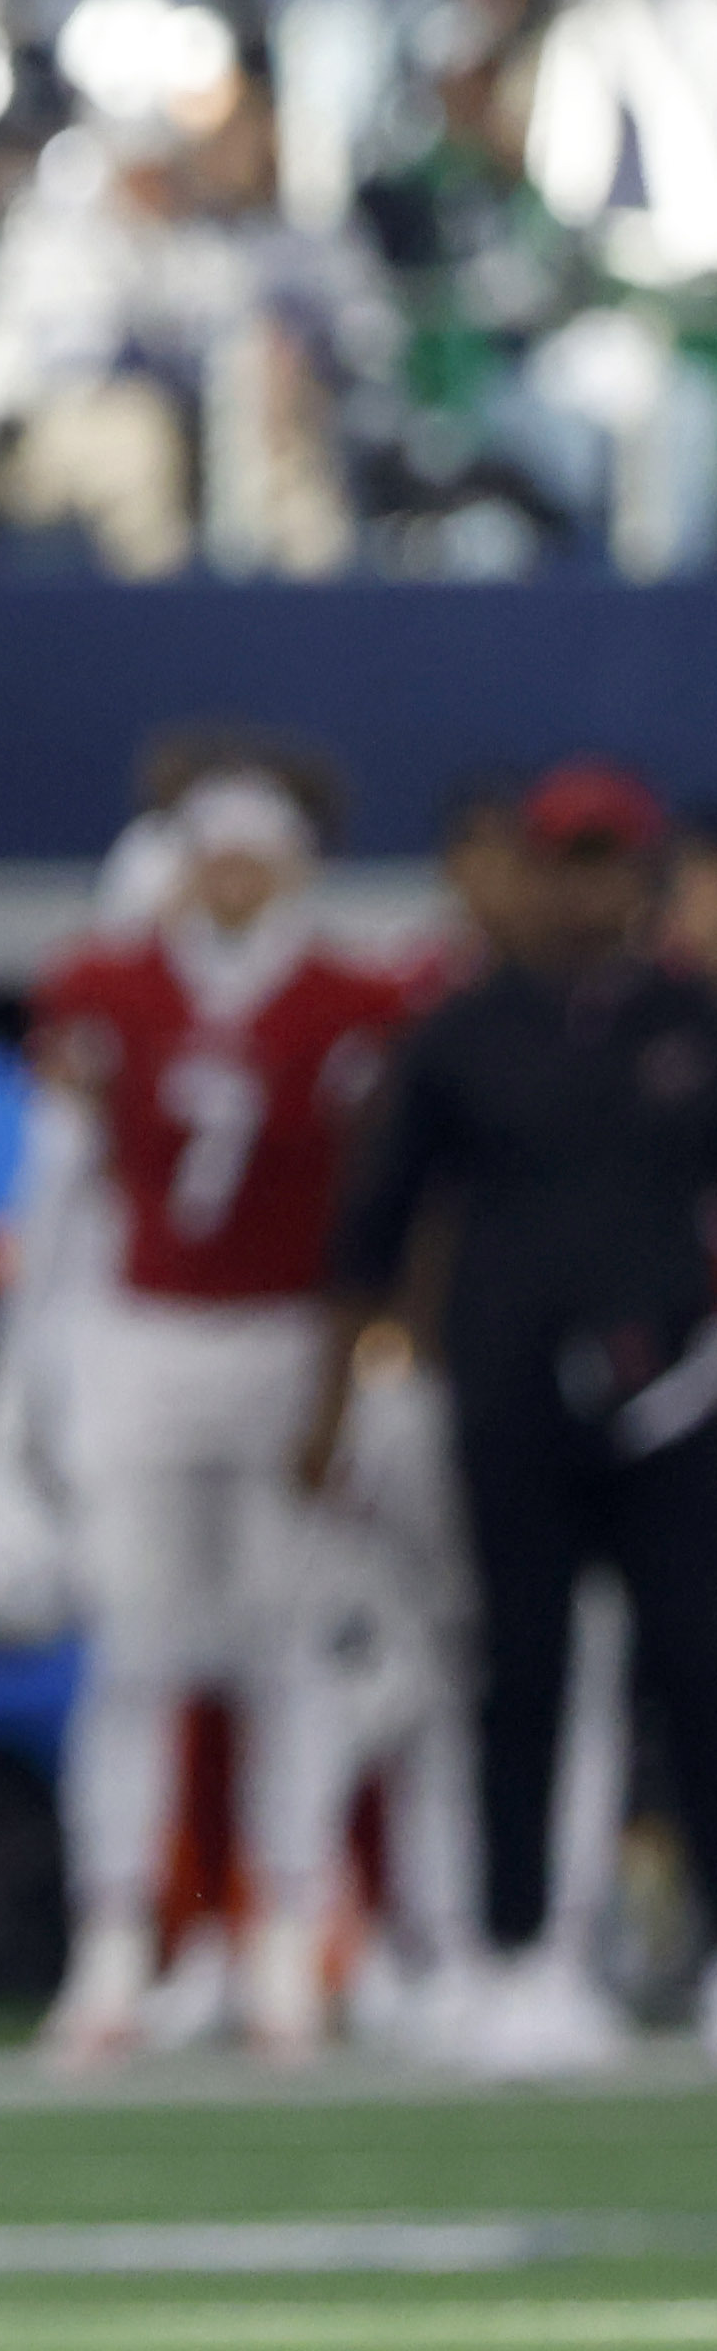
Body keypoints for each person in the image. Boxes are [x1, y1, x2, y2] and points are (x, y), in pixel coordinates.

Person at [317, 763, 717, 2077]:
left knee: (696, 1670)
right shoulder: (460, 1030)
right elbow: (374, 1225)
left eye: (607, 859)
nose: (583, 885)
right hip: (508, 1393)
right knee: (517, 1677)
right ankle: (507, 1951)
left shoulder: (690, 1019)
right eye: (563, 859)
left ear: (639, 874)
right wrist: (344, 1391)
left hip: (672, 1393)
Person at [18, 755, 418, 2062]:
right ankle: (111, 1942)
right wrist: (27, 1384)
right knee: (132, 1651)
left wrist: (350, 1357)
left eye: (255, 850)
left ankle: (283, 1937)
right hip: (143, 1329)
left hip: (282, 1331)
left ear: (293, 863)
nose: (231, 874)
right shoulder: (106, 985)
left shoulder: (352, 996)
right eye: (212, 849)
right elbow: (58, 1192)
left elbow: (382, 1184)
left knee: (286, 1648)